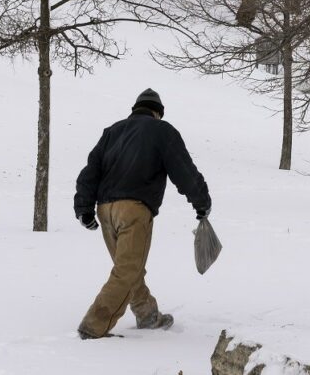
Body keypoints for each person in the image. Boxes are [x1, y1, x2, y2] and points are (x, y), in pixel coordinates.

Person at [74, 88, 212, 339]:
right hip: (134, 209)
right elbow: (183, 171)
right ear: (157, 113)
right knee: (127, 271)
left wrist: (84, 208)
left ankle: (147, 314)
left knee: (128, 267)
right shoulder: (162, 131)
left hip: (105, 211)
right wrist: (201, 202)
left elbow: (90, 171)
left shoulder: (112, 132)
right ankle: (93, 327)